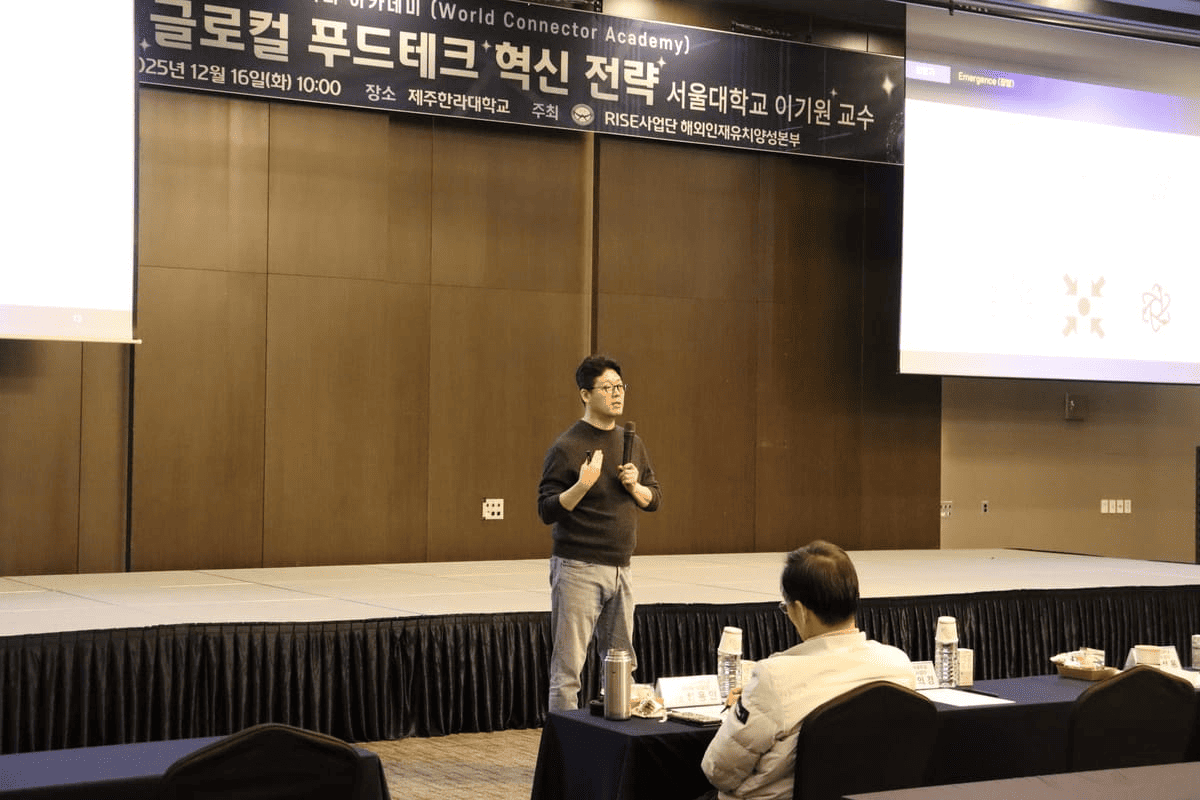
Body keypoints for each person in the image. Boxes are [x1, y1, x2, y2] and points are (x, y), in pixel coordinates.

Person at [699, 540, 915, 800]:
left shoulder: (773, 678)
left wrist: (739, 711)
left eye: (786, 607)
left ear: (800, 611)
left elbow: (718, 771)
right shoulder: (898, 666)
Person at [537, 355, 662, 712]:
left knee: (622, 665)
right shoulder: (567, 446)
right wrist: (582, 485)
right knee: (568, 671)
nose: (617, 394)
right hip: (578, 568)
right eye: (607, 388)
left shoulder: (631, 441)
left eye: (620, 387)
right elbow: (546, 509)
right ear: (585, 395)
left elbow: (654, 499)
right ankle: (563, 744)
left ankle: (615, 735)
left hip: (622, 569)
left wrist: (635, 487)